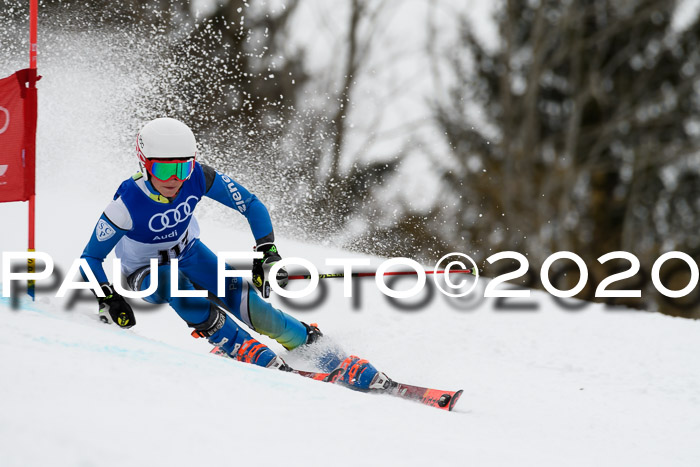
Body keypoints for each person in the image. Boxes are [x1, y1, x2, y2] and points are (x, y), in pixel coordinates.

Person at [80, 117, 385, 390]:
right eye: (164, 168)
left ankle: (313, 346)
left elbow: (251, 205)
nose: (175, 178)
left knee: (249, 303)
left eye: (182, 167)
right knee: (175, 282)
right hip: (144, 273)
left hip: (189, 252)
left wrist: (266, 251)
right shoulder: (126, 205)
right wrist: (108, 298)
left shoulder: (199, 177)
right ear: (144, 164)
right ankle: (238, 344)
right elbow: (90, 259)